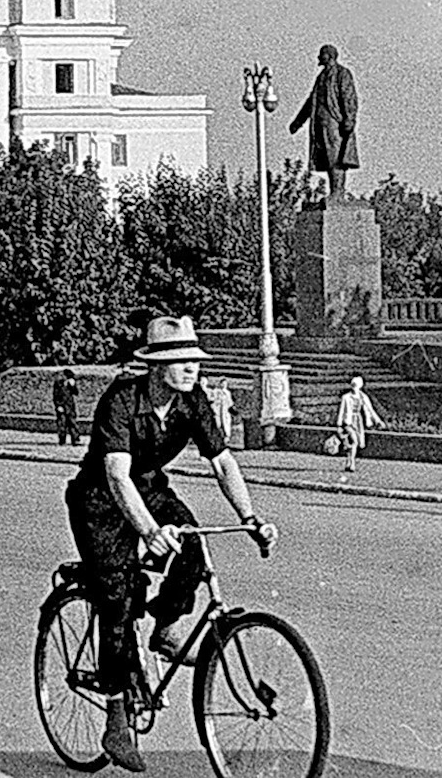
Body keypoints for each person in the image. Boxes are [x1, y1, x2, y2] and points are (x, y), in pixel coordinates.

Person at [65, 316, 276, 772]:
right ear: (157, 365)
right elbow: (116, 476)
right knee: (118, 602)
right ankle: (116, 720)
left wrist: (251, 517)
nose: (191, 369)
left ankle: (164, 628)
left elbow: (223, 463)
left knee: (193, 548)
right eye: (181, 361)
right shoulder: (122, 400)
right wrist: (148, 532)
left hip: (151, 490)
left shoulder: (193, 402)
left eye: (195, 361)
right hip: (99, 502)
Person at [288, 43, 360, 199]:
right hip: (320, 124)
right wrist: (298, 122)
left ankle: (338, 192)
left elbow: (349, 97)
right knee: (327, 158)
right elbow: (311, 102)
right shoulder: (321, 77)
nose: (319, 58)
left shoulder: (342, 74)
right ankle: (334, 191)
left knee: (336, 158)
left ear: (330, 56)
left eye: (322, 54)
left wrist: (350, 118)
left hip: (335, 123)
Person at [335, 376, 385, 473]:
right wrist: (339, 425)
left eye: (356, 385)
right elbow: (341, 412)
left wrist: (378, 421)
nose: (354, 387)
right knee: (354, 441)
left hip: (358, 421)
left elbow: (370, 410)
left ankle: (348, 461)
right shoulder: (346, 397)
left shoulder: (363, 397)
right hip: (348, 421)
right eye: (353, 385)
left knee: (355, 443)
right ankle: (352, 462)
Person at [52, 369, 81, 446]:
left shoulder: (70, 384)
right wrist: (58, 405)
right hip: (61, 406)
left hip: (70, 406)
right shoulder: (58, 384)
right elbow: (55, 396)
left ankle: (75, 439)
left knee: (72, 423)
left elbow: (76, 393)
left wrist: (73, 386)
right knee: (62, 424)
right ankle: (62, 440)